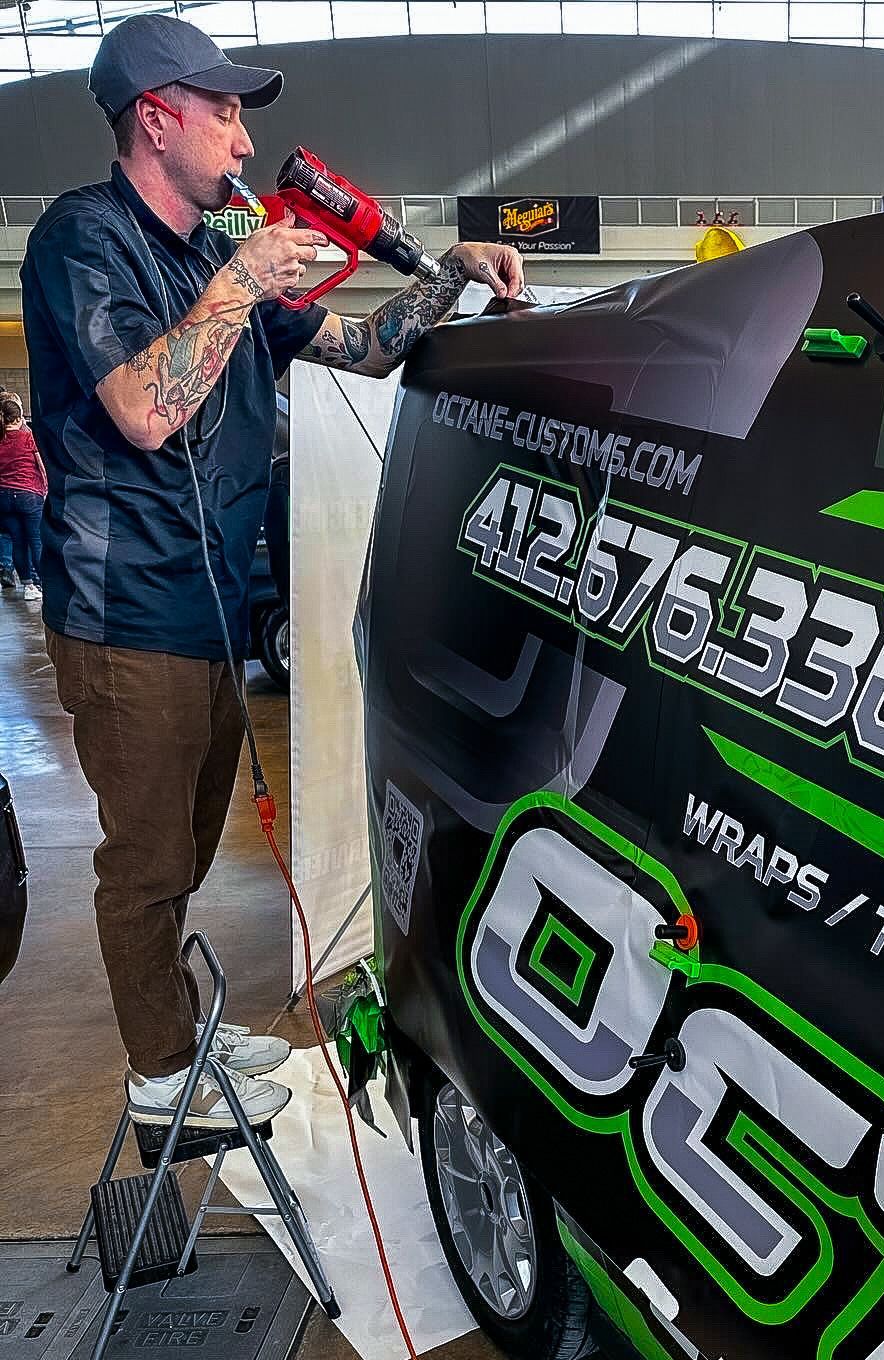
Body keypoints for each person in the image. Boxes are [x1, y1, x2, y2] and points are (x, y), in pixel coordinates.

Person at [19, 14, 523, 1131]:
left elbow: (359, 347)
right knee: (147, 863)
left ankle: (185, 1038)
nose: (246, 143)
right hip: (123, 613)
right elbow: (145, 410)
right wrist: (242, 281)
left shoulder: (213, 249)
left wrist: (450, 278)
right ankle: (162, 1078)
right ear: (157, 120)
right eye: (227, 113)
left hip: (207, 608)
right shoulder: (81, 241)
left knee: (190, 846)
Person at [0, 394, 44, 597]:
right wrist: (45, 488)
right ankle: (43, 583)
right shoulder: (28, 437)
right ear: (19, 418)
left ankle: (28, 586)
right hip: (29, 494)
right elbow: (41, 466)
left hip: (4, 497)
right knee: (36, 540)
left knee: (17, 541)